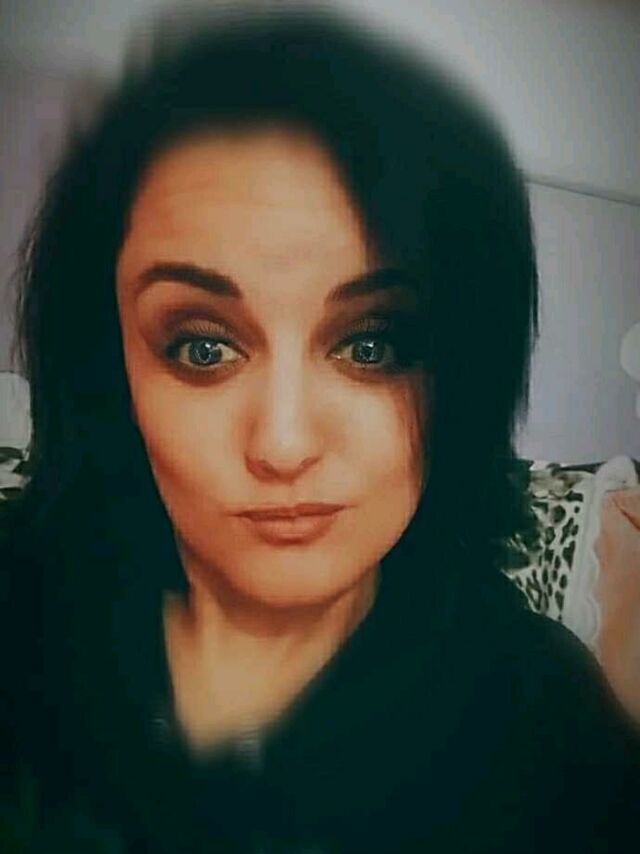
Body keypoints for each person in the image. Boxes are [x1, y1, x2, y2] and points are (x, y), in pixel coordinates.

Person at [0, 5, 638, 853]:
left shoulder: (547, 722)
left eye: (371, 345)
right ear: (107, 367)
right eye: (203, 347)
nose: (285, 444)